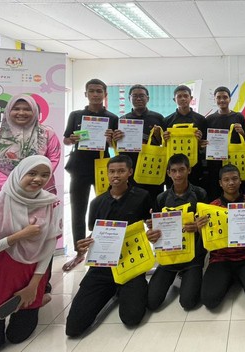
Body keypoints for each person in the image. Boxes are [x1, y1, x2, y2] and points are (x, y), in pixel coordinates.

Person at [0, 156, 62, 352]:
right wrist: (17, 237)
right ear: (18, 174)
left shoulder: (51, 203)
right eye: (32, 173)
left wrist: (34, 286)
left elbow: (48, 247)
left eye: (45, 175)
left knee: (18, 336)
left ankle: (38, 299)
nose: (38, 179)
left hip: (30, 275)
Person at [65, 155, 152, 337]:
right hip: (102, 266)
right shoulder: (97, 202)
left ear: (130, 172)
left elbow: (150, 224)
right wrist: (84, 244)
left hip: (130, 262)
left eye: (121, 171)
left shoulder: (142, 196)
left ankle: (128, 287)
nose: (116, 175)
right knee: (73, 327)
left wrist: (153, 229)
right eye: (112, 171)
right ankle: (112, 288)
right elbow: (95, 233)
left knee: (132, 317)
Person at [63, 79, 119, 272]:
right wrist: (72, 139)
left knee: (106, 207)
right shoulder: (76, 115)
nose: (95, 94)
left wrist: (111, 140)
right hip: (79, 167)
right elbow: (66, 139)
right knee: (78, 209)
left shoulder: (112, 117)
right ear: (86, 94)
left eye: (99, 91)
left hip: (103, 167)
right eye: (92, 91)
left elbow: (116, 146)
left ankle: (105, 247)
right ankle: (79, 252)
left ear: (105, 94)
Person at [197, 165, 245, 309]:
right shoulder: (212, 207)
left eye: (235, 179)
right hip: (221, 258)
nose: (231, 183)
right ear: (220, 183)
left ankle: (238, 277)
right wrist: (200, 229)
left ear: (240, 180)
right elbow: (207, 238)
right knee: (209, 301)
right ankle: (230, 278)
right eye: (226, 180)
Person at [147, 154, 207, 311]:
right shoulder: (161, 198)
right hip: (169, 256)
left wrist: (198, 226)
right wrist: (152, 232)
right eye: (174, 171)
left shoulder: (200, 194)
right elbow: (155, 231)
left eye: (181, 170)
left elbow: (209, 224)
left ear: (189, 170)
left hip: (193, 257)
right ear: (168, 173)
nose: (178, 174)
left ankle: (191, 276)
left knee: (188, 302)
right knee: (151, 302)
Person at [0, 94, 61, 194]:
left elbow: (53, 160)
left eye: (27, 109)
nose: (21, 113)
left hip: (39, 191)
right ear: (8, 111)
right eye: (16, 109)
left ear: (35, 111)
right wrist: (13, 186)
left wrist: (33, 182)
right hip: (5, 192)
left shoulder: (47, 135)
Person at [111, 84, 166, 203]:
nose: (138, 98)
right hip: (131, 167)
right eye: (135, 96)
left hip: (152, 166)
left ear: (148, 98)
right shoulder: (122, 120)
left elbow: (165, 143)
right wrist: (115, 138)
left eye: (142, 96)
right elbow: (114, 145)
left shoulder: (158, 118)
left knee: (155, 201)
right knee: (132, 202)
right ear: (129, 98)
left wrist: (159, 136)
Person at [205, 86, 245, 201]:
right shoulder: (209, 119)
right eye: (219, 97)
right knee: (216, 193)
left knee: (236, 192)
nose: (222, 100)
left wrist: (242, 132)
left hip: (235, 161)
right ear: (215, 99)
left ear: (230, 99)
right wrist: (204, 143)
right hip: (215, 164)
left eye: (225, 97)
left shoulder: (238, 117)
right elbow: (205, 141)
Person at [163, 85, 208, 189]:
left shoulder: (201, 120)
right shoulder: (167, 120)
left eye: (185, 96)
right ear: (174, 99)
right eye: (179, 96)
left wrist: (200, 141)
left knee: (195, 192)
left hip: (195, 166)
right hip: (174, 166)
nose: (183, 99)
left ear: (191, 98)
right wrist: (164, 139)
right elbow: (163, 146)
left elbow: (205, 144)